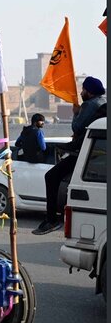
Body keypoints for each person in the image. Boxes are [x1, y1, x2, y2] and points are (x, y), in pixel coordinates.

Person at [33, 76, 106, 235]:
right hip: (95, 153)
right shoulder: (103, 102)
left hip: (84, 153)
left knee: (51, 177)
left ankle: (51, 220)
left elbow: (77, 127)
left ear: (89, 91)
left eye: (83, 90)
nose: (81, 92)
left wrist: (75, 112)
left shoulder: (90, 104)